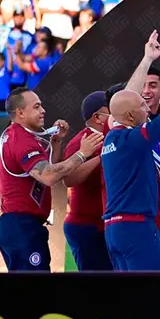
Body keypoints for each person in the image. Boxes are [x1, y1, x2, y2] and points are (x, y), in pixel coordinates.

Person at [102, 34, 160, 271]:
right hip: (137, 228)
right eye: (142, 106)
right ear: (132, 116)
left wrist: (147, 59)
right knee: (150, 295)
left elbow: (124, 101)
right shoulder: (135, 138)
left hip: (114, 229)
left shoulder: (112, 135)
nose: (146, 107)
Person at [0, 89, 101, 271]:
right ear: (20, 112)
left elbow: (48, 169)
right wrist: (82, 153)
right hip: (21, 224)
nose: (43, 110)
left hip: (22, 224)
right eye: (37, 106)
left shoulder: (21, 136)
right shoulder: (20, 139)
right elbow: (48, 176)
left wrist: (56, 142)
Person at [61, 90, 113, 271]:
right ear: (98, 117)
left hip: (102, 224)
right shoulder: (82, 141)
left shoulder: (111, 137)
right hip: (87, 226)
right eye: (111, 109)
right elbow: (68, 178)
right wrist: (100, 157)